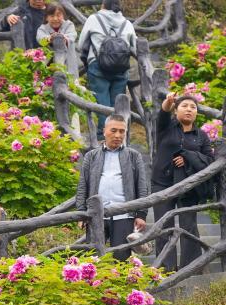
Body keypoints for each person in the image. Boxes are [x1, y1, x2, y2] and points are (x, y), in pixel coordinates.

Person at [152, 92, 214, 271]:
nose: (189, 109)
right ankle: (165, 269)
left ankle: (191, 268)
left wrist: (189, 157)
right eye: (184, 106)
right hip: (162, 183)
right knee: (164, 226)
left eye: (193, 107)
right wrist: (167, 103)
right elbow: (162, 115)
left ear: (196, 113)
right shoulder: (166, 128)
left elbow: (210, 160)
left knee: (188, 226)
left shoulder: (201, 136)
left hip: (189, 187)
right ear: (176, 110)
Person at [74, 115, 149, 261]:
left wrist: (141, 214)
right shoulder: (91, 156)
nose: (118, 135)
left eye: (122, 131)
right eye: (113, 130)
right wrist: (81, 212)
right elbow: (83, 185)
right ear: (104, 131)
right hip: (96, 214)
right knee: (93, 257)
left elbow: (142, 185)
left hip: (124, 214)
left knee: (121, 257)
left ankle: (121, 283)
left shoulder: (134, 156)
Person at [76, 0, 137, 140]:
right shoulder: (127, 23)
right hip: (120, 68)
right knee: (118, 102)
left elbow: (81, 44)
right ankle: (120, 135)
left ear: (103, 5)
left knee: (101, 100)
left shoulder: (94, 19)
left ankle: (103, 135)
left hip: (98, 65)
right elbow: (135, 46)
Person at [36, 3, 78, 70]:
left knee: (70, 79)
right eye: (52, 16)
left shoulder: (69, 25)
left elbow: (72, 36)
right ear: (46, 17)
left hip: (68, 63)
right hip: (48, 64)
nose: (55, 19)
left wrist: (62, 38)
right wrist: (49, 38)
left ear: (63, 16)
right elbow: (41, 40)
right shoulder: (42, 28)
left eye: (58, 15)